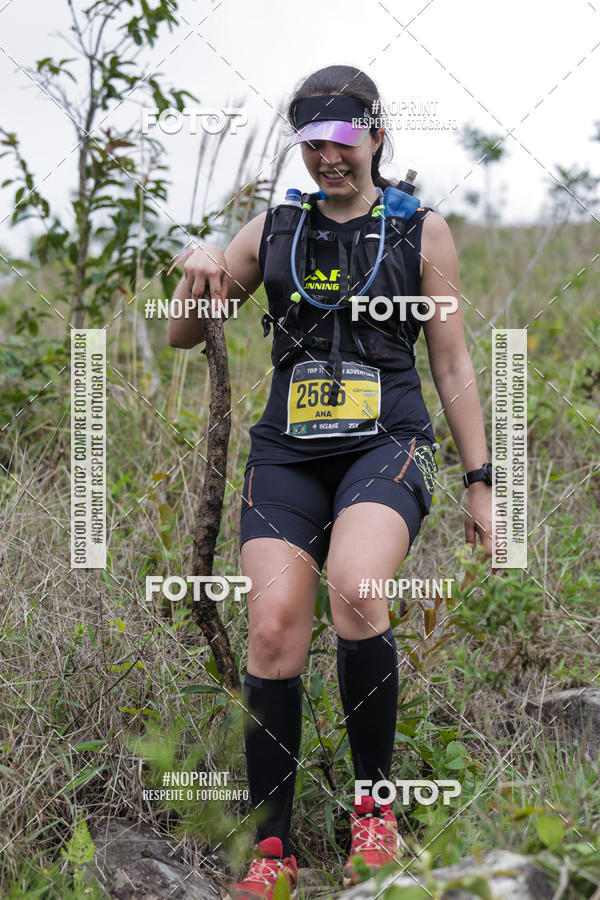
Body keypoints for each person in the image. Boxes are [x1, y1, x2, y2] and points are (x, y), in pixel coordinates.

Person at [168, 64, 493, 899]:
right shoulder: (273, 228)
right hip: (288, 453)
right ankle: (271, 853)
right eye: (311, 144)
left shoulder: (422, 228)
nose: (327, 159)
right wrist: (200, 263)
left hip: (388, 444)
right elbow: (181, 335)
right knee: (274, 626)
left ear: (377, 136)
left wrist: (482, 480)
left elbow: (452, 363)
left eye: (342, 141)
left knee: (356, 585)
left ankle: (374, 815)